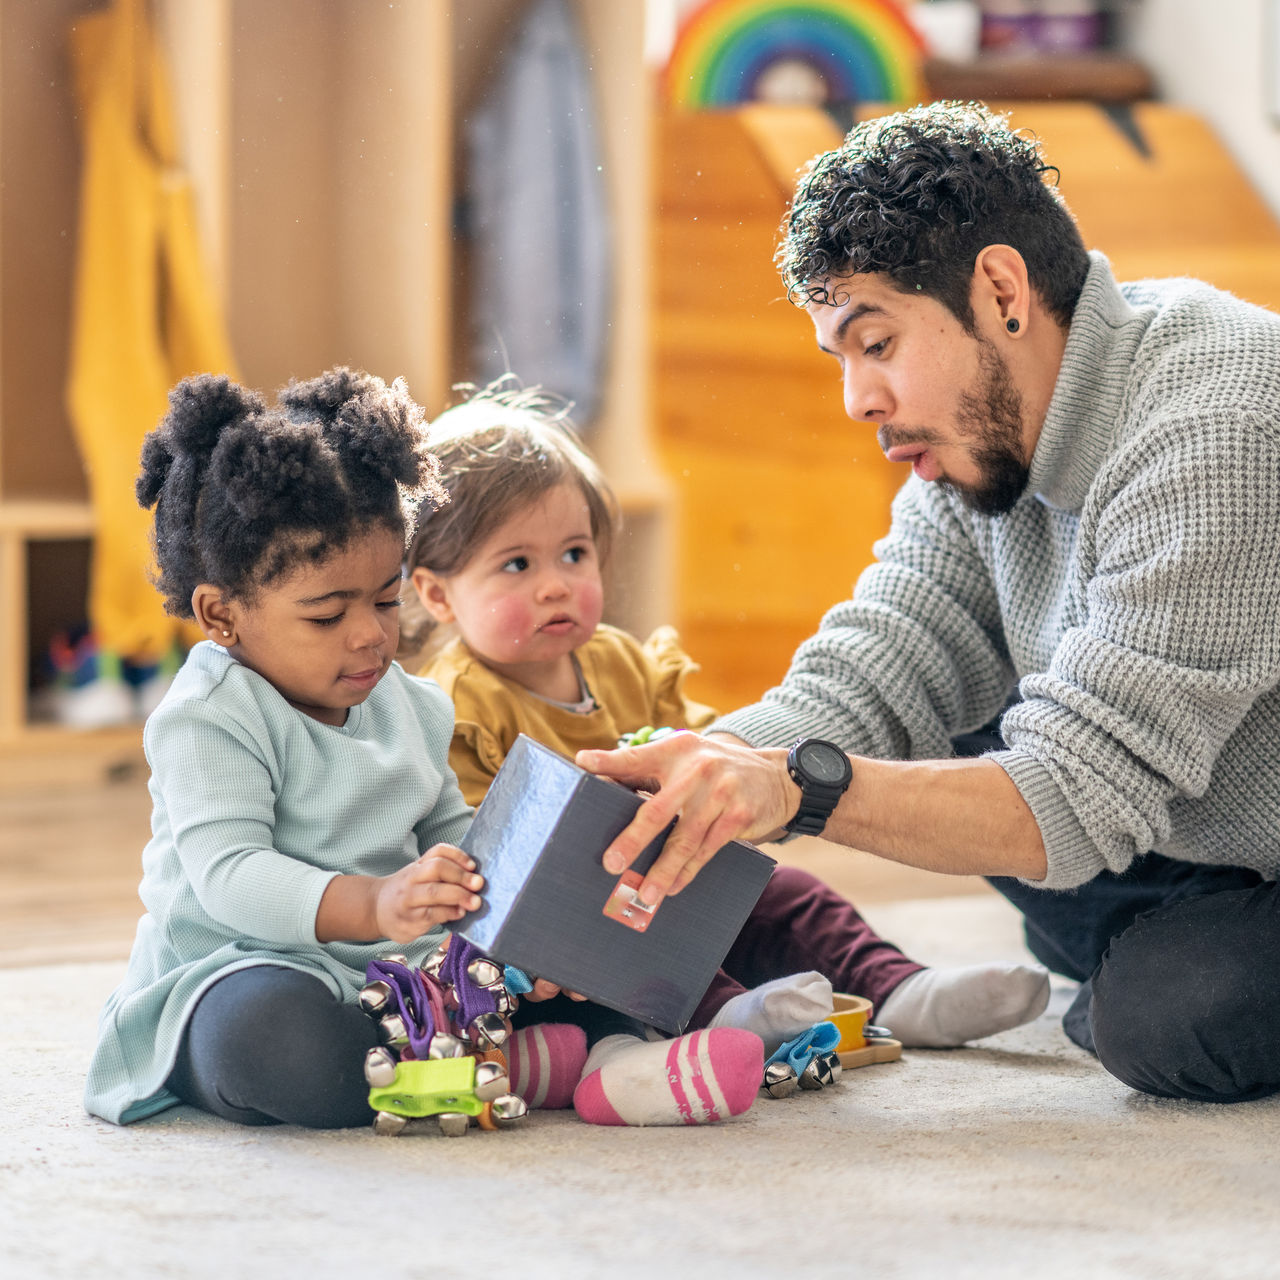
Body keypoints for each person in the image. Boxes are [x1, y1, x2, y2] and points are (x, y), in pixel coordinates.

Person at [577, 100, 1280, 1105]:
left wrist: (798, 787)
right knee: (969, 754)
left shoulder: (1215, 425)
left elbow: (1071, 791)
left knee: (1165, 1015)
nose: (856, 399)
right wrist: (690, 780)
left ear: (999, 289)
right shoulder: (970, 449)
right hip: (1198, 834)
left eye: (876, 343)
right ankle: (1141, 946)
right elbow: (876, 661)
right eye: (841, 358)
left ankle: (1138, 969)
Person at [83, 367, 762, 1132]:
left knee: (572, 968)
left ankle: (596, 1061)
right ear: (222, 615)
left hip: (408, 976)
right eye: (327, 614)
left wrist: (522, 915)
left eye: (383, 598)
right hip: (244, 967)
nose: (372, 633)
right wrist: (375, 901)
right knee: (272, 1039)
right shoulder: (209, 718)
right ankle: (500, 1063)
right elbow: (231, 877)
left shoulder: (410, 704)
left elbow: (451, 833)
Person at [405, 380, 1050, 1053]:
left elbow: (704, 751)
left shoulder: (623, 662)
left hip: (671, 869)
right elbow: (480, 853)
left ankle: (899, 988)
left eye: (574, 553)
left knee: (791, 894)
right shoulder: (455, 703)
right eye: (516, 564)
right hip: (555, 930)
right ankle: (727, 1018)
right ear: (437, 594)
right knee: (647, 922)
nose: (554, 584)